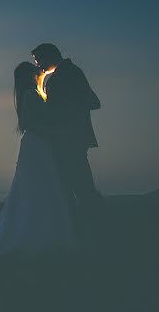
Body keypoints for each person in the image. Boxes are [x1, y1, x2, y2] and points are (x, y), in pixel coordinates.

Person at [0, 62, 75, 257]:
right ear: (30, 75)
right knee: (40, 185)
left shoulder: (31, 93)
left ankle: (42, 232)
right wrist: (54, 132)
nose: (40, 70)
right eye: (35, 69)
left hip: (37, 144)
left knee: (41, 185)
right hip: (38, 144)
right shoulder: (30, 95)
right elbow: (31, 123)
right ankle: (38, 235)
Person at [30, 43, 104, 232]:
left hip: (71, 139)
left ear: (49, 56)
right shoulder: (62, 74)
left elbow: (93, 102)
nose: (38, 65)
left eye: (39, 60)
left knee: (80, 186)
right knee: (69, 186)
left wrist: (61, 112)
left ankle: (94, 227)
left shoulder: (70, 73)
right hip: (65, 139)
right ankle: (79, 227)